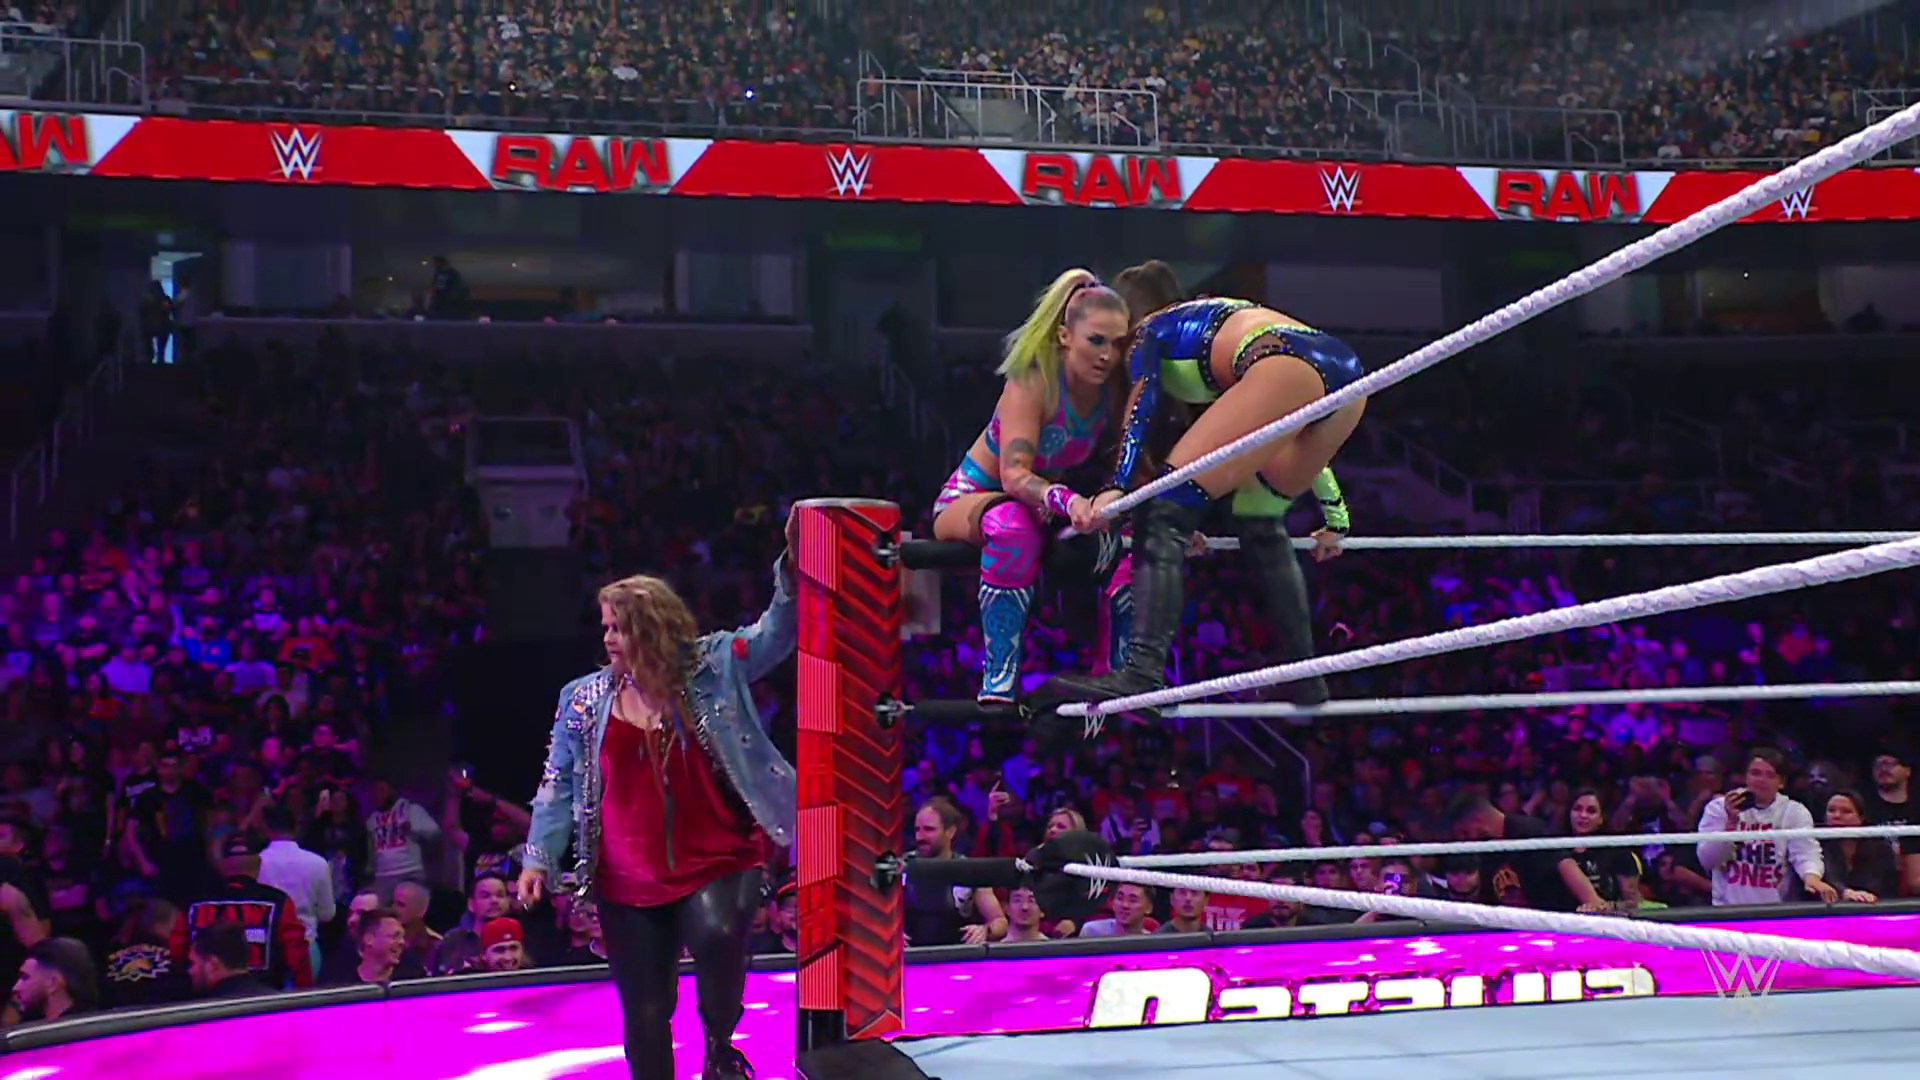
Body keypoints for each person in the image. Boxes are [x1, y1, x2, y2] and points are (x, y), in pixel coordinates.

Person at [1030, 261, 1369, 736]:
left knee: (1161, 510)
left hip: (1281, 361)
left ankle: (1140, 671)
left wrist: (1118, 485)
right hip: (1344, 377)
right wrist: (1336, 516)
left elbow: (1143, 405)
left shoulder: (1149, 332)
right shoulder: (1209, 321)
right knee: (1257, 519)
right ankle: (1305, 676)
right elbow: (1273, 427)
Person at [521, 508, 800, 1080]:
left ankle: (719, 1046)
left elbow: (775, 635)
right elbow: (557, 782)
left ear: (652, 628)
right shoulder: (582, 699)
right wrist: (538, 857)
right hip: (628, 875)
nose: (606, 638)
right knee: (646, 1010)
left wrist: (792, 570)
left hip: (718, 855)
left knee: (718, 936)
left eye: (617, 628)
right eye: (605, 627)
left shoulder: (713, 664)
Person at [931, 268, 1130, 703]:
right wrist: (1068, 500)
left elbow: (1128, 466)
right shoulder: (1032, 381)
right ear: (1064, 336)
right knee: (1012, 526)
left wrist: (1168, 516)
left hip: (1041, 507)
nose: (1107, 356)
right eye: (1097, 340)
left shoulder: (1112, 393)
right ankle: (999, 674)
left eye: (1118, 344)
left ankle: (1122, 671)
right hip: (971, 500)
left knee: (1131, 533)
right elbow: (1014, 475)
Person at [1696, 748, 1834, 905]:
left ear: (1781, 782)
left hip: (1774, 908)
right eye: (1755, 773)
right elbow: (1708, 860)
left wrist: (1812, 877)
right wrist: (1731, 823)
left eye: (1770, 775)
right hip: (1727, 908)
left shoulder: (1794, 811)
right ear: (1746, 777)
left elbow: (1805, 852)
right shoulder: (1719, 808)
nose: (1761, 780)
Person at [1817, 790, 1896, 903]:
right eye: (1831, 810)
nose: (1837, 816)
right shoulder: (1816, 846)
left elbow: (1890, 891)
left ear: (1861, 817)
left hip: (1872, 907)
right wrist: (1845, 893)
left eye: (1846, 811)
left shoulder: (1881, 850)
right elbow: (1824, 880)